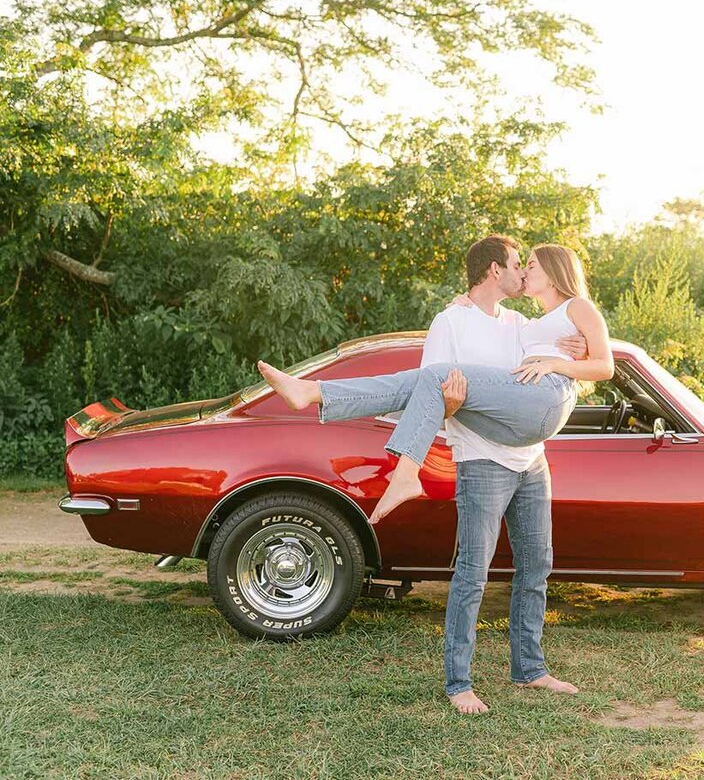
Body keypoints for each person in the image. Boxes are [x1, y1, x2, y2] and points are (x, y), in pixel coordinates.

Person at [256, 234, 612, 714]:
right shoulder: (450, 320)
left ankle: (530, 669)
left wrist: (565, 356)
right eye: (516, 263)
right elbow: (431, 399)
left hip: (530, 454)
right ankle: (459, 681)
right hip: (483, 457)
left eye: (528, 264)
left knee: (537, 564)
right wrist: (451, 403)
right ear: (493, 270)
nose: (523, 270)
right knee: (473, 571)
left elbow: (583, 363)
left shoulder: (519, 322)